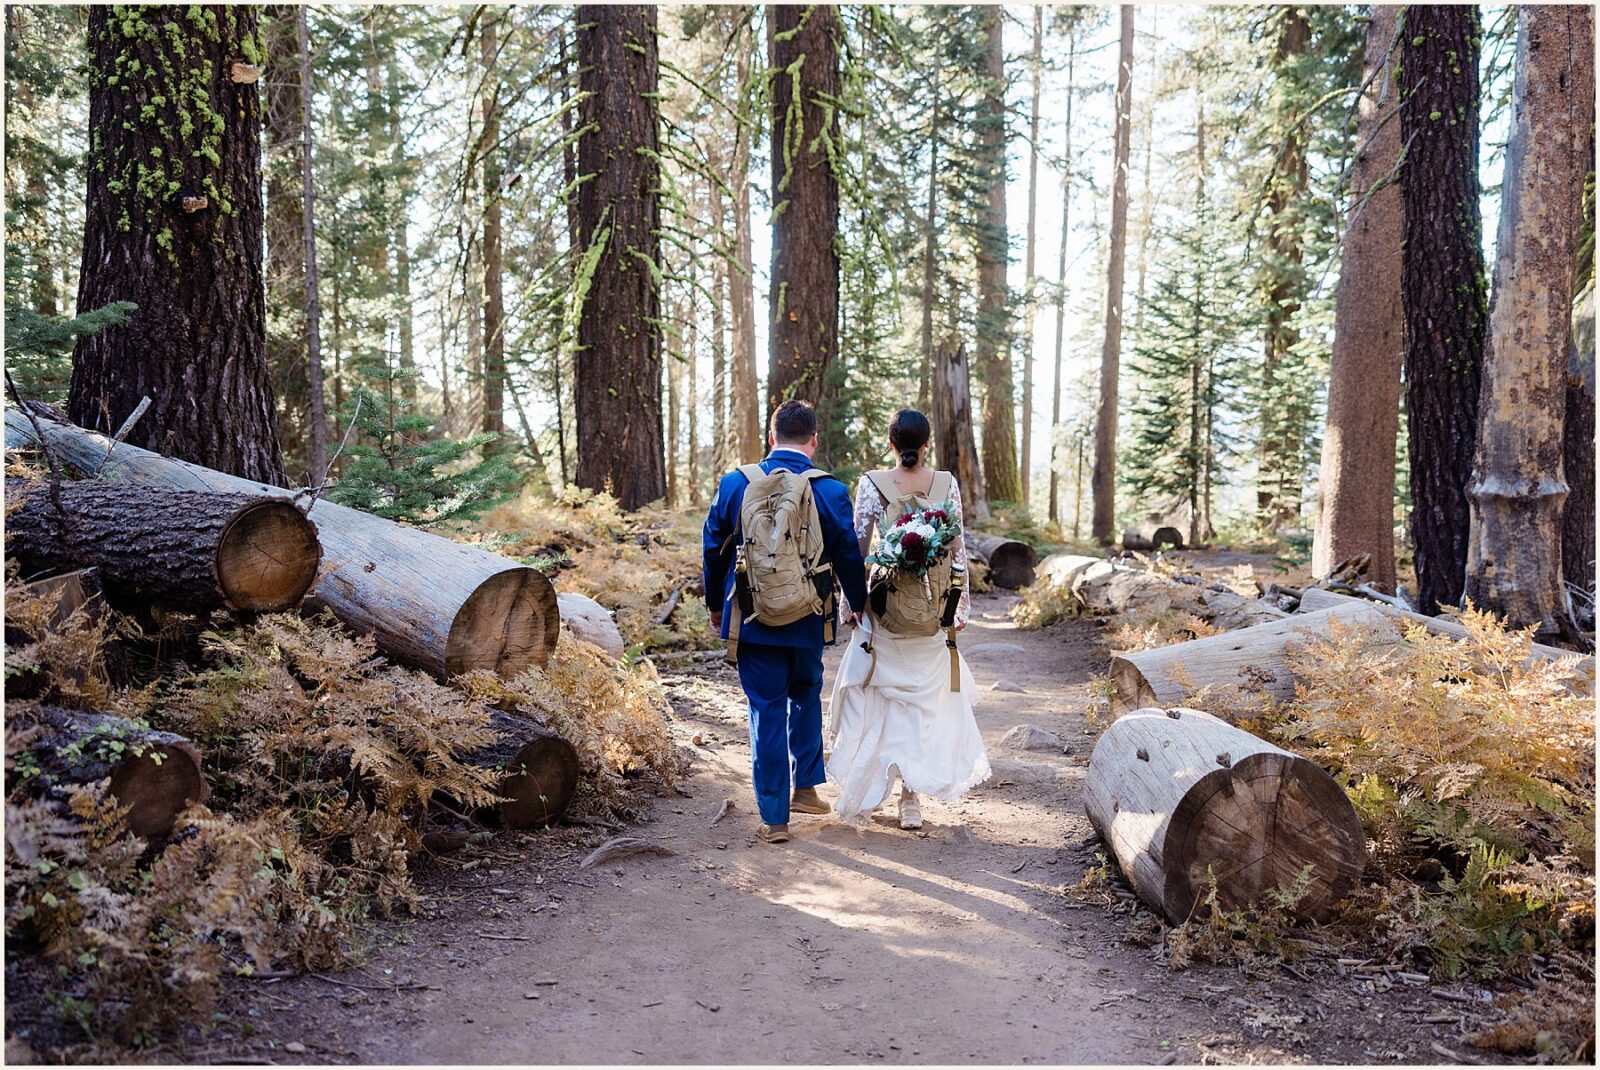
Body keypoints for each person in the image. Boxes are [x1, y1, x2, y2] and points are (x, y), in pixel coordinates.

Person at [703, 400, 868, 844]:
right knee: (806, 693)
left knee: (766, 708)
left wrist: (716, 604)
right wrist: (857, 602)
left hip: (753, 618)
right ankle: (807, 787)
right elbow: (847, 551)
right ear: (813, 440)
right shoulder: (829, 489)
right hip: (809, 616)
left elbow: (713, 546)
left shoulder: (736, 482)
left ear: (771, 437)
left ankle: (775, 817)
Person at [825, 409, 990, 830]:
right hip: (932, 608)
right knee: (922, 703)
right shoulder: (946, 483)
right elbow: (956, 549)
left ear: (891, 444)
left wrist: (850, 604)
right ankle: (909, 799)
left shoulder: (871, 483)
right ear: (926, 444)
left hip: (885, 608)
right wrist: (960, 606)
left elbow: (857, 548)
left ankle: (869, 789)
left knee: (879, 699)